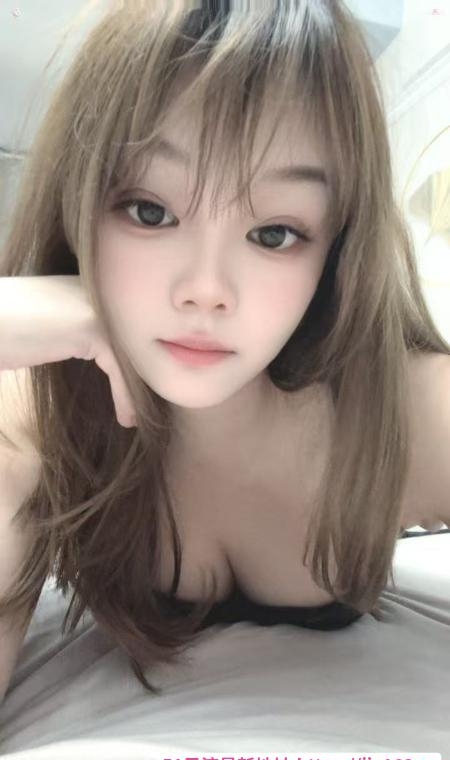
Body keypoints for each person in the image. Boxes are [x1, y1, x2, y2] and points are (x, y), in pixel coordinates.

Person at [1, 0, 449, 699]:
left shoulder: (404, 411)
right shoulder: (39, 404)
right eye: (150, 212)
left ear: (336, 249)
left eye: (274, 234)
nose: (206, 291)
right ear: (79, 204)